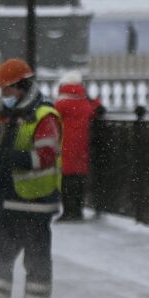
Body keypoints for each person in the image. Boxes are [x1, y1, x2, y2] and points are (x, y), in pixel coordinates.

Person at [0, 58, 62, 298]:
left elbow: (45, 157)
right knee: (0, 256)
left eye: (7, 89)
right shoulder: (4, 116)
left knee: (36, 260)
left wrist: (9, 156)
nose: (3, 94)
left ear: (21, 87)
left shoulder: (44, 116)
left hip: (35, 202)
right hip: (9, 200)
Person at [55, 71, 104, 222]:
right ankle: (78, 210)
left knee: (66, 179)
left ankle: (69, 211)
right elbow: (95, 109)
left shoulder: (61, 103)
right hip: (82, 145)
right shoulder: (84, 103)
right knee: (78, 178)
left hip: (65, 145)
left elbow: (52, 119)